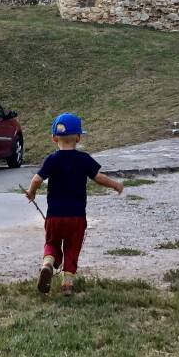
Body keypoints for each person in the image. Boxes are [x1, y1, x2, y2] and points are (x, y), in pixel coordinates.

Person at [25, 112, 123, 296]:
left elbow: (37, 179)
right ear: (78, 138)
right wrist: (115, 185)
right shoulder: (83, 159)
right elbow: (98, 177)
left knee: (52, 243)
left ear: (54, 138)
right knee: (72, 247)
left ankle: (47, 264)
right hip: (76, 217)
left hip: (55, 216)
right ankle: (67, 284)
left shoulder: (51, 160)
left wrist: (31, 193)